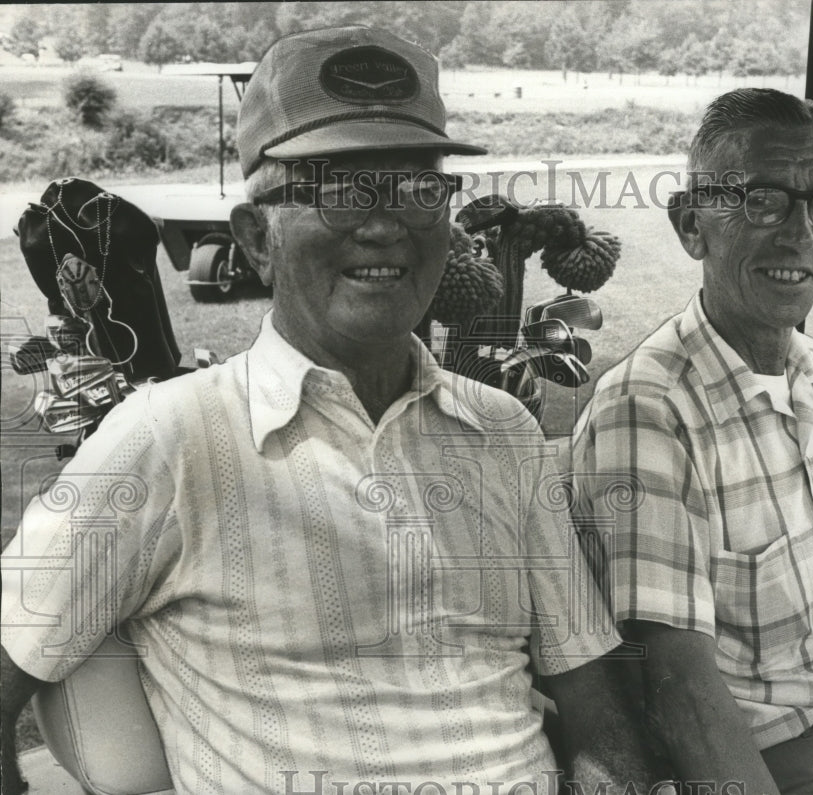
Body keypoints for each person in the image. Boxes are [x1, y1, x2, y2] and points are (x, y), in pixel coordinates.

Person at [1, 26, 656, 794]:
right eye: (340, 189)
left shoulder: (502, 430)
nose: (386, 225)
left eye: (418, 187)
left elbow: (587, 688)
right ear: (256, 239)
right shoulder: (170, 436)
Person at [568, 88, 813, 794]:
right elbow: (681, 695)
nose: (799, 232)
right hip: (803, 766)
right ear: (692, 225)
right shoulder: (649, 411)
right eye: (761, 200)